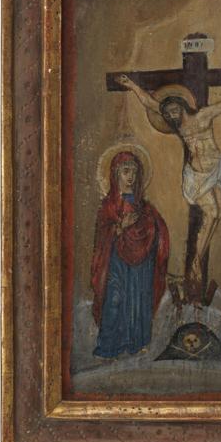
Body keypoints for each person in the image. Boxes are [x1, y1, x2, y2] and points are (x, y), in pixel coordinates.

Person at [117, 70, 221, 288]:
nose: (172, 116)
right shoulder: (178, 125)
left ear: (182, 106)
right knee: (212, 213)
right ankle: (196, 263)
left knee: (217, 214)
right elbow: (150, 103)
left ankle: (198, 259)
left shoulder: (203, 116)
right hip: (196, 177)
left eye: (175, 110)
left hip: (215, 169)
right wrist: (132, 86)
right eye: (168, 114)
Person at [91, 149, 169, 358]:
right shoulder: (108, 207)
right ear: (116, 174)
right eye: (126, 171)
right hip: (116, 261)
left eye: (134, 172)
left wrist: (151, 230)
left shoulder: (144, 206)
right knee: (114, 300)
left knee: (138, 299)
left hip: (142, 264)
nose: (131, 177)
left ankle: (137, 342)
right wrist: (120, 227)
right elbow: (102, 236)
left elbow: (158, 229)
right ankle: (109, 347)